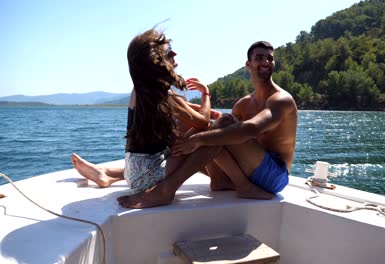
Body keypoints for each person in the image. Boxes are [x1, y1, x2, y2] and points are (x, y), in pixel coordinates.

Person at [117, 40, 298, 208]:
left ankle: (239, 186)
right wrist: (207, 129)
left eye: (270, 58)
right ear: (248, 65)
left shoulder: (281, 100)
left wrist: (198, 139)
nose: (266, 61)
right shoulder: (243, 104)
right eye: (259, 58)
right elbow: (218, 134)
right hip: (249, 170)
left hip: (274, 176)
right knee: (215, 129)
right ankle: (220, 181)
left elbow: (251, 129)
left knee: (216, 129)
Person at [71, 28, 220, 194]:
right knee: (212, 130)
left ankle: (108, 174)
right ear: (157, 61)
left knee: (185, 131)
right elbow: (202, 121)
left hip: (134, 172)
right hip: (148, 178)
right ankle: (224, 181)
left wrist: (203, 112)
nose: (175, 53)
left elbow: (183, 109)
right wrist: (205, 93)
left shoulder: (142, 89)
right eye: (169, 52)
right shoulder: (162, 92)